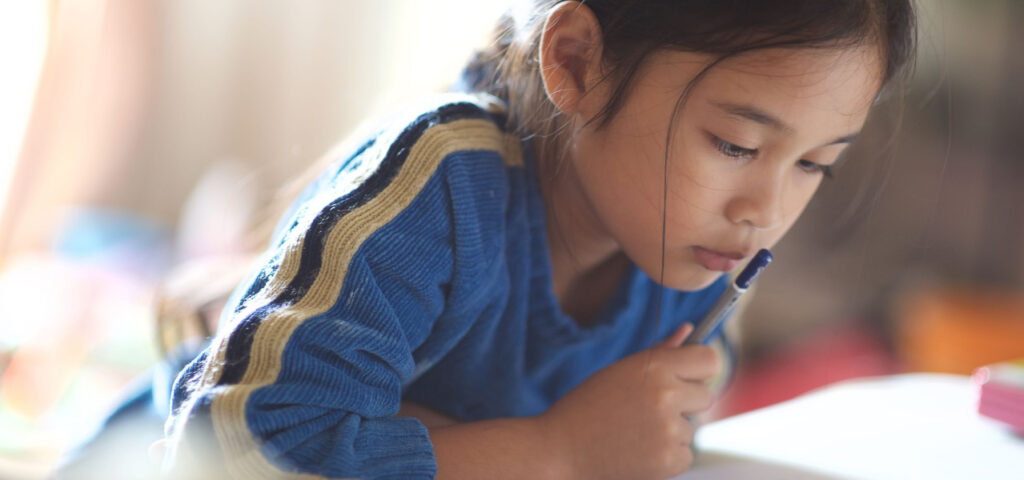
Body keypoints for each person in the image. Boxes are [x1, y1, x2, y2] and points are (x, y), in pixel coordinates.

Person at [161, 1, 918, 479]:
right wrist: (553, 451)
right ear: (577, 61)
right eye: (735, 146)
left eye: (816, 165)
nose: (766, 210)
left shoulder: (698, 269)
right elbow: (235, 455)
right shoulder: (446, 180)